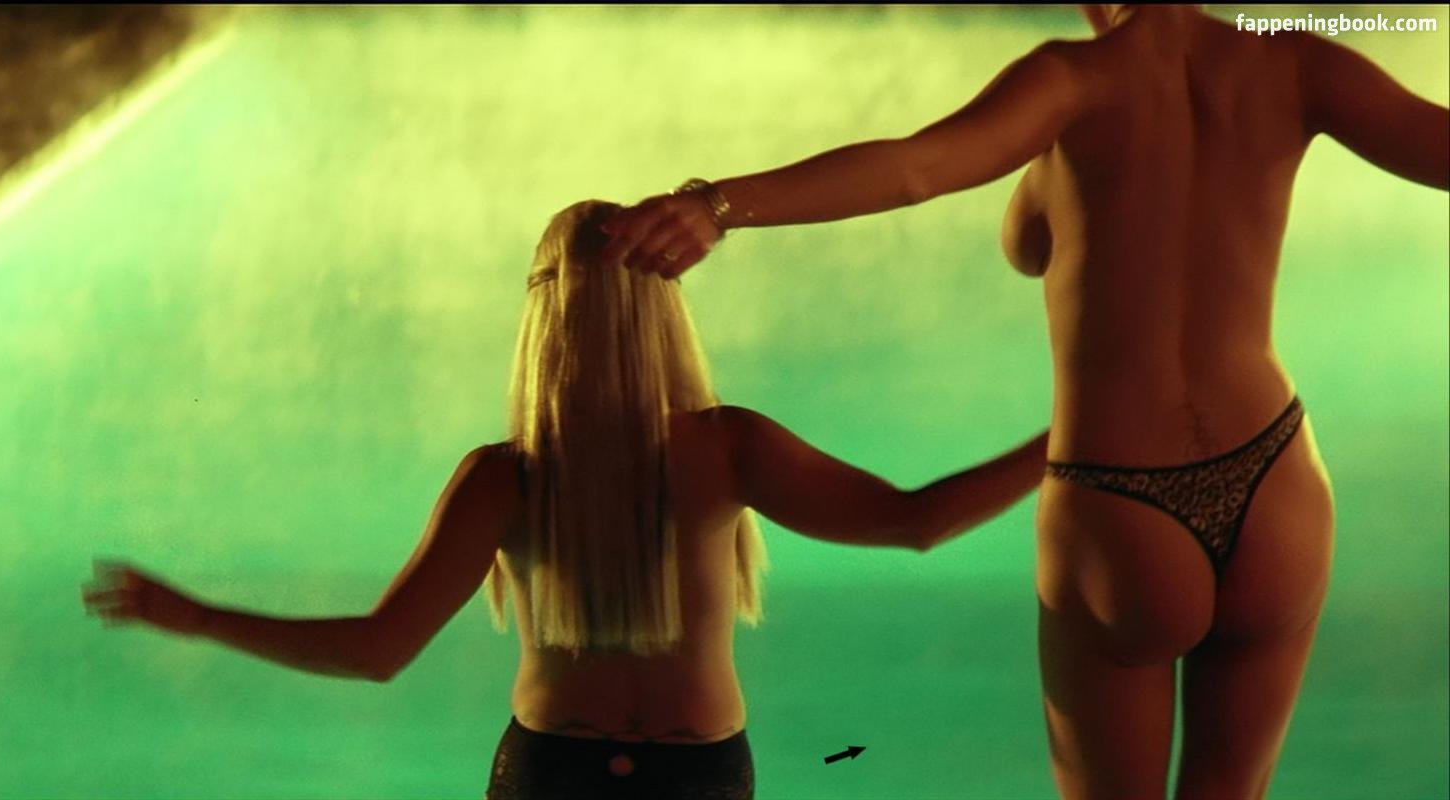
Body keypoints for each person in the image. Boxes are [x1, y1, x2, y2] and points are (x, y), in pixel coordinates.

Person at [597, 5, 1448, 797]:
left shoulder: (1072, 83)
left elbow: (921, 171)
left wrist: (718, 206)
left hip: (1121, 497)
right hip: (1274, 480)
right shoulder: (1295, 63)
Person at [85, 200, 1047, 799]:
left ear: (542, 316)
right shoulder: (729, 449)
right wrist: (1066, 444)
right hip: (697, 775)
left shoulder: (505, 478)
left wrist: (198, 616)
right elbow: (919, 522)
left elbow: (379, 652)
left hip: (550, 771)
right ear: (662, 309)